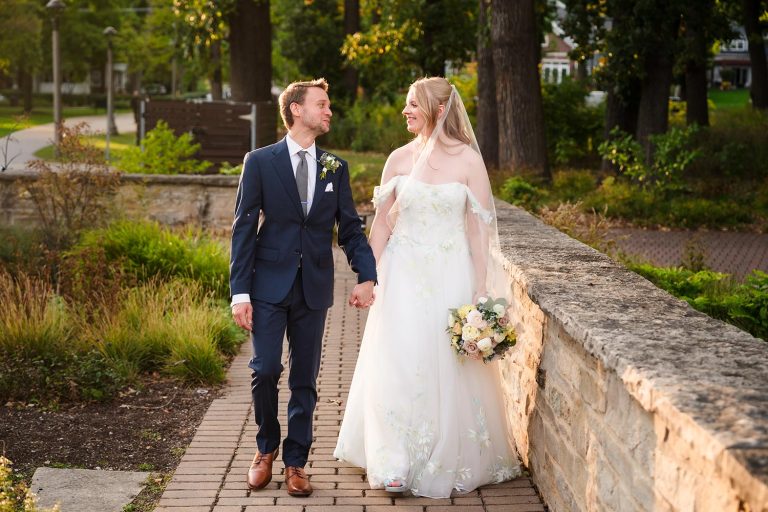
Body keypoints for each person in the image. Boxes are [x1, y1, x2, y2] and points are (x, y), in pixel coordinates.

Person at [333, 77, 521, 498]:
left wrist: (481, 291)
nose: (405, 111)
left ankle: (444, 453)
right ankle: (393, 456)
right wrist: (368, 278)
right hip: (401, 275)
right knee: (398, 359)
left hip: (450, 276)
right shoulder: (398, 159)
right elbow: (381, 226)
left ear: (437, 110)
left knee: (445, 364)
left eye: (412, 105)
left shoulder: (469, 162)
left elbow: (478, 235)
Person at [229, 78, 377, 498]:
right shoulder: (260, 162)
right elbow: (243, 229)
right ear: (296, 109)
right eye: (322, 104)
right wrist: (240, 293)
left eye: (329, 105)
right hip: (267, 285)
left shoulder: (335, 166)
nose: (329, 111)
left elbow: (349, 228)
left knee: (305, 379)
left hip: (313, 286)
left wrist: (366, 274)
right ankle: (265, 449)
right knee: (265, 370)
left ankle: (296, 461)